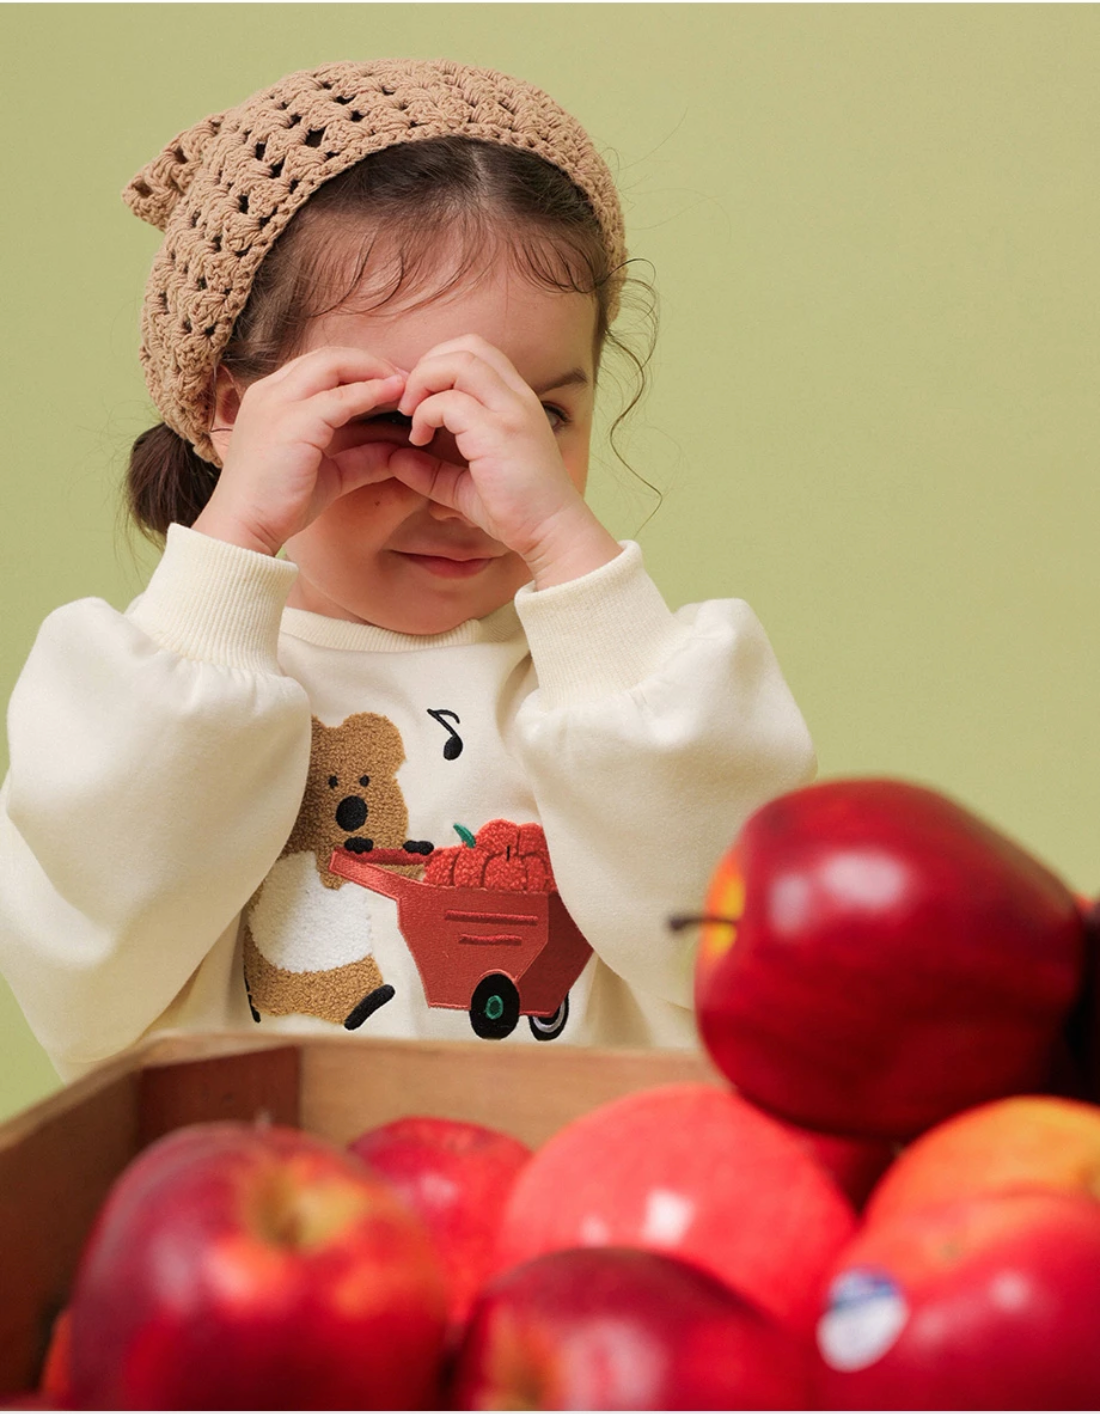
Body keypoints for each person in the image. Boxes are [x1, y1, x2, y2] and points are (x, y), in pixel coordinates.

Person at [0, 59, 815, 1082]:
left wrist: (572, 556)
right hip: (256, 1174)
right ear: (233, 409)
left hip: (576, 1181)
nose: (466, 483)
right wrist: (233, 538)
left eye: (536, 416)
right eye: (390, 418)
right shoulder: (148, 691)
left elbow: (746, 955)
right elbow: (83, 980)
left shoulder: (631, 694)